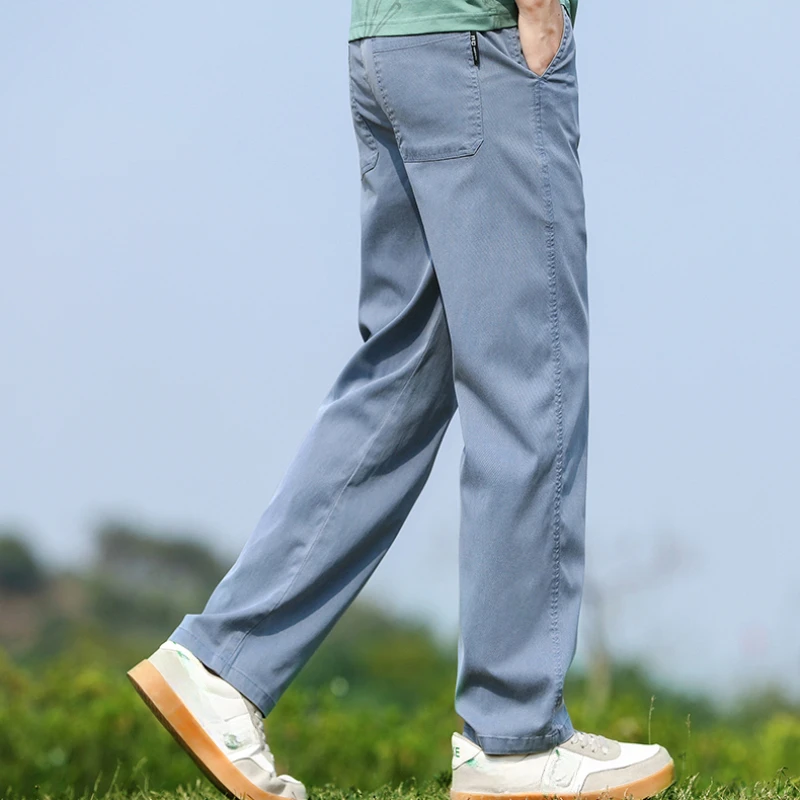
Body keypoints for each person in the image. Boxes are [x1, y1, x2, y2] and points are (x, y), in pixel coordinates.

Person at [128, 0, 676, 798]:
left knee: (407, 368)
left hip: (390, 42)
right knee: (532, 373)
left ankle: (221, 668)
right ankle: (515, 734)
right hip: (484, 41)